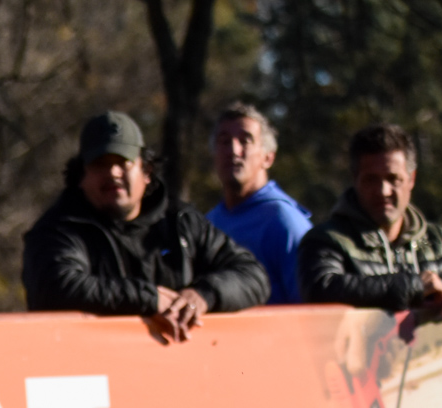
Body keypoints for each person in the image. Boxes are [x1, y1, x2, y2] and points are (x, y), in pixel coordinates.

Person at [22, 111, 270, 343]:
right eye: (100, 164)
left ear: (146, 170)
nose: (113, 173)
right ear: (81, 176)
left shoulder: (182, 222)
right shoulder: (58, 229)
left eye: (123, 162)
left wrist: (203, 295)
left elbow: (252, 276)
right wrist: (148, 299)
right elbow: (56, 288)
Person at [299, 123, 442, 320]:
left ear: (411, 179)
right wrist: (413, 286)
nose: (383, 191)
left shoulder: (434, 240)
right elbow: (321, 288)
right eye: (371, 180)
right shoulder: (328, 241)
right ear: (355, 179)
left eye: (393, 178)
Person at [205, 101, 313, 305]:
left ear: (268, 158)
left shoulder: (284, 222)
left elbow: (311, 310)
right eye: (224, 141)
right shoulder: (208, 223)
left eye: (245, 140)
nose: (234, 150)